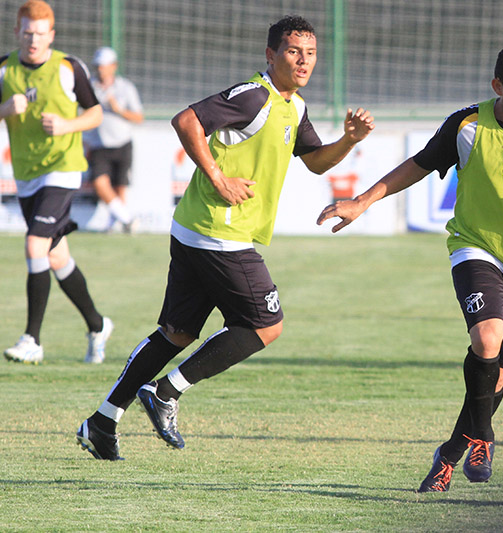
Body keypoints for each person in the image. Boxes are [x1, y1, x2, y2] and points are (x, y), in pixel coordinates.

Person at [317, 39, 503, 492]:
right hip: (475, 247)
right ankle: (485, 438)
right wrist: (361, 202)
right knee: (486, 338)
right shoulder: (467, 125)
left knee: (493, 380)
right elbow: (418, 165)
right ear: (499, 86)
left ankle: (449, 454)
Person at [76, 15, 375, 460]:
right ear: (271, 55)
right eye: (293, 51)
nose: (304, 61)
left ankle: (102, 422)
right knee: (265, 325)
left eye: (311, 53)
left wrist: (349, 139)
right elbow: (186, 121)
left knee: (176, 334)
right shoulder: (254, 96)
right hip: (220, 233)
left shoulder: (294, 106)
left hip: (197, 229)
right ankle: (165, 391)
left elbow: (315, 161)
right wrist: (218, 178)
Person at [1, 0, 114, 365]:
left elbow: (95, 113)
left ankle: (32, 339)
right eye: (27, 33)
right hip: (27, 175)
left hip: (63, 169)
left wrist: (67, 125)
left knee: (35, 245)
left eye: (40, 34)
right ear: (17, 32)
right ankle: (98, 325)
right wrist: (5, 110)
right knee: (55, 256)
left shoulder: (68, 67)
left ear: (51, 35)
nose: (33, 40)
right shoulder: (4, 69)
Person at [84, 46, 144, 233]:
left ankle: (115, 225)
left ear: (114, 66)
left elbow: (138, 117)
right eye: (97, 66)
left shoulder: (126, 88)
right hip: (98, 144)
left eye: (104, 65)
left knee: (120, 188)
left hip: (122, 143)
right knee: (100, 184)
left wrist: (118, 110)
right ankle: (127, 219)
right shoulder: (89, 86)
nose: (100, 69)